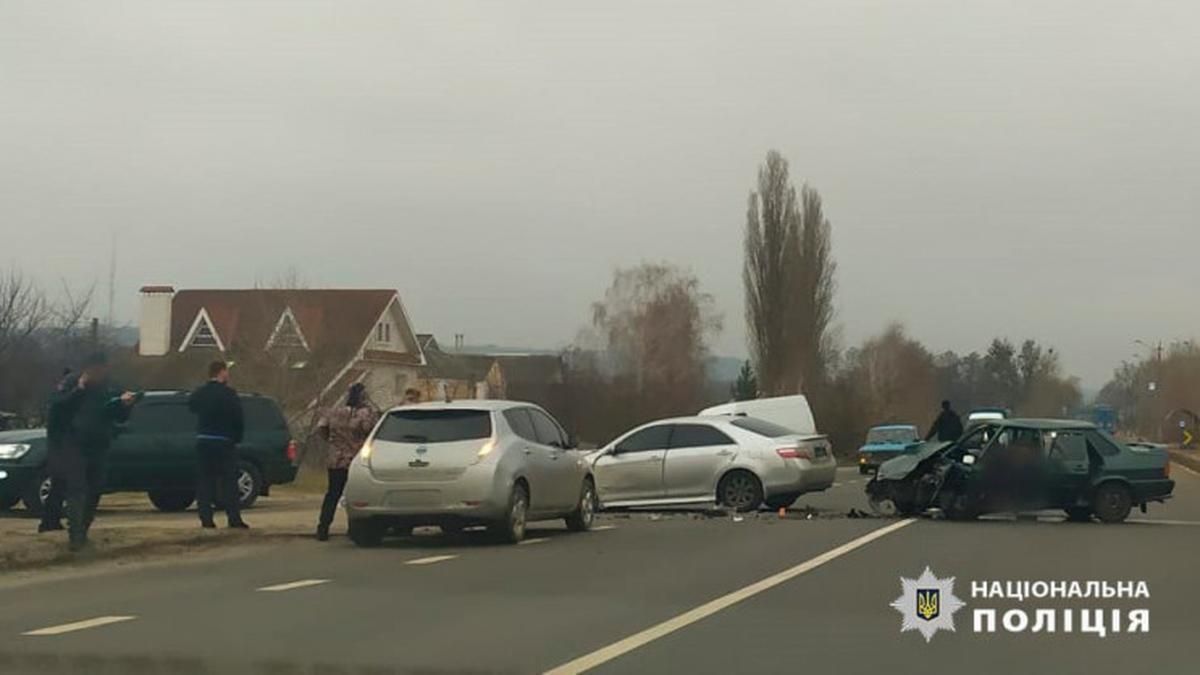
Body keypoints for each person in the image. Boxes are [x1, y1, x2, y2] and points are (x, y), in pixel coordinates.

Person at [45, 353, 136, 552]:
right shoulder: (71, 381)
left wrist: (125, 405)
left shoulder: (111, 386)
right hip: (73, 442)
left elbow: (118, 417)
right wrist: (79, 389)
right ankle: (75, 535)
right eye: (97, 369)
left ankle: (83, 531)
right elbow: (58, 405)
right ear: (89, 368)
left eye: (103, 369)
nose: (100, 373)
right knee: (76, 488)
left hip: (100, 443)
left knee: (95, 489)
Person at [314, 382, 379, 541]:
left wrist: (332, 442)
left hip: (335, 458)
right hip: (356, 460)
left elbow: (321, 428)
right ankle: (353, 528)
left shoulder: (334, 412)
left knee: (332, 494)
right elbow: (370, 430)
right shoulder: (365, 413)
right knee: (354, 495)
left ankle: (323, 527)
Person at [189, 360, 248, 529]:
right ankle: (233, 518)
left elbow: (191, 406)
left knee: (205, 481)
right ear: (221, 372)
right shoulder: (229, 394)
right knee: (229, 481)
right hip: (224, 441)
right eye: (226, 371)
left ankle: (206, 519)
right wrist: (237, 438)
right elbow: (238, 419)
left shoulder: (200, 393)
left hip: (204, 441)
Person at [38, 368, 79, 533]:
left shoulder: (60, 397)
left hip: (60, 445)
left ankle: (51, 521)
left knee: (60, 485)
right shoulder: (63, 399)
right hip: (63, 445)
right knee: (62, 485)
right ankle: (51, 522)